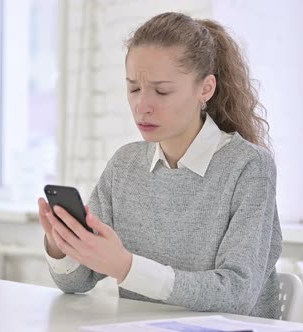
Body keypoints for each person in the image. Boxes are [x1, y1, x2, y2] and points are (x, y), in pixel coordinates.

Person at [37, 12, 282, 319]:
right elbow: (76, 281)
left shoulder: (249, 167)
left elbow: (236, 295)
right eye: (133, 88)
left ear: (205, 89)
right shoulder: (125, 165)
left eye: (162, 90)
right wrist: (61, 244)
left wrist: (126, 267)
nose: (142, 106)